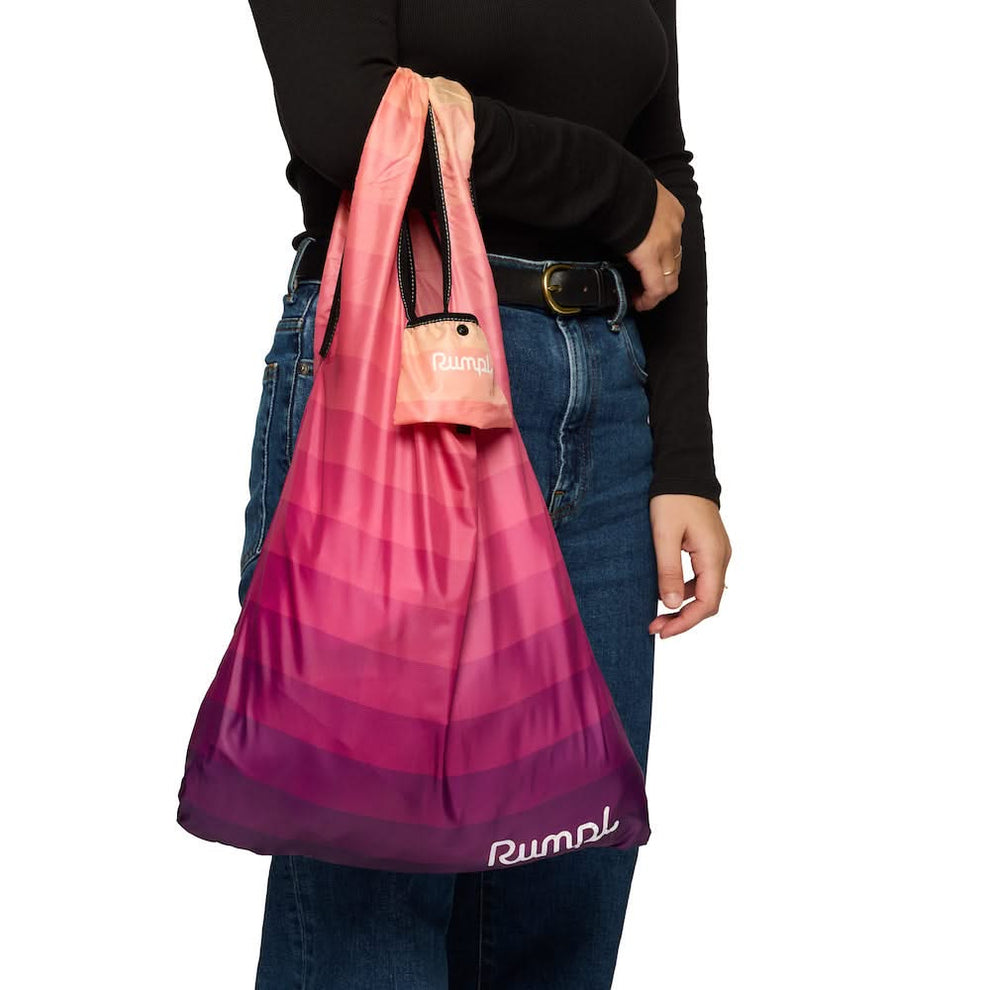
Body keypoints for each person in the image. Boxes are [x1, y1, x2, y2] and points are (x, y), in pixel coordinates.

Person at [238, 1, 732, 986]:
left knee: (561, 894)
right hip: (394, 372)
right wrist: (613, 190)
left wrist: (684, 457)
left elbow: (662, 163)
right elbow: (348, 117)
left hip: (603, 393)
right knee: (372, 905)